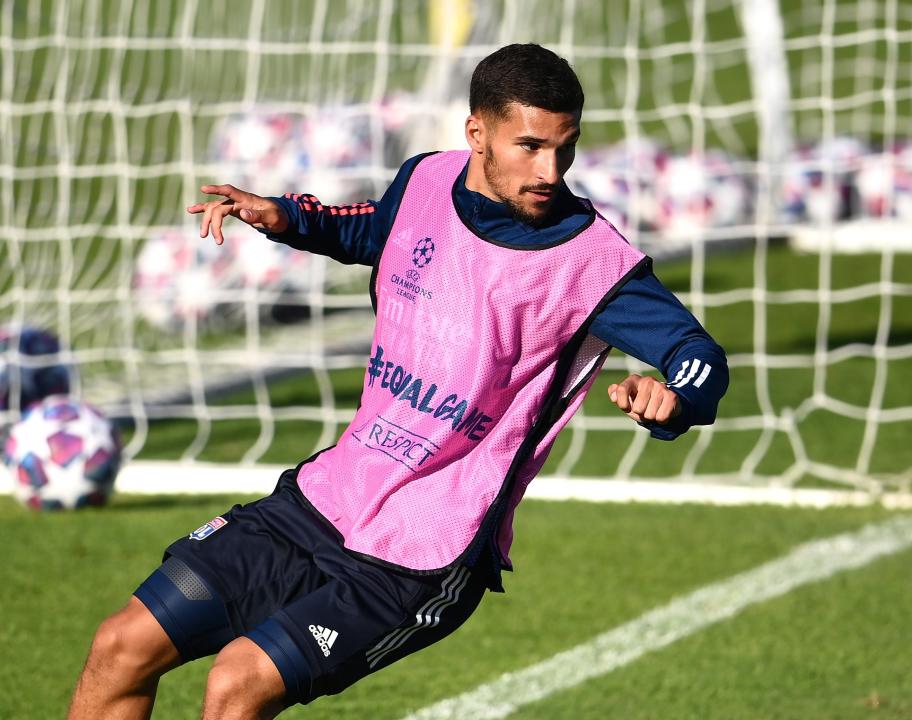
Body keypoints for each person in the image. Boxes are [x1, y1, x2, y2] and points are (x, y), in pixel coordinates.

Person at [68, 43, 728, 719]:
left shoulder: (593, 259)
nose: (550, 170)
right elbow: (377, 231)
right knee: (122, 644)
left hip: (426, 548)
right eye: (529, 146)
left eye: (565, 148)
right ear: (477, 133)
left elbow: (699, 356)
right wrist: (289, 218)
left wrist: (673, 398)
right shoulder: (426, 179)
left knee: (238, 682)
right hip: (331, 495)